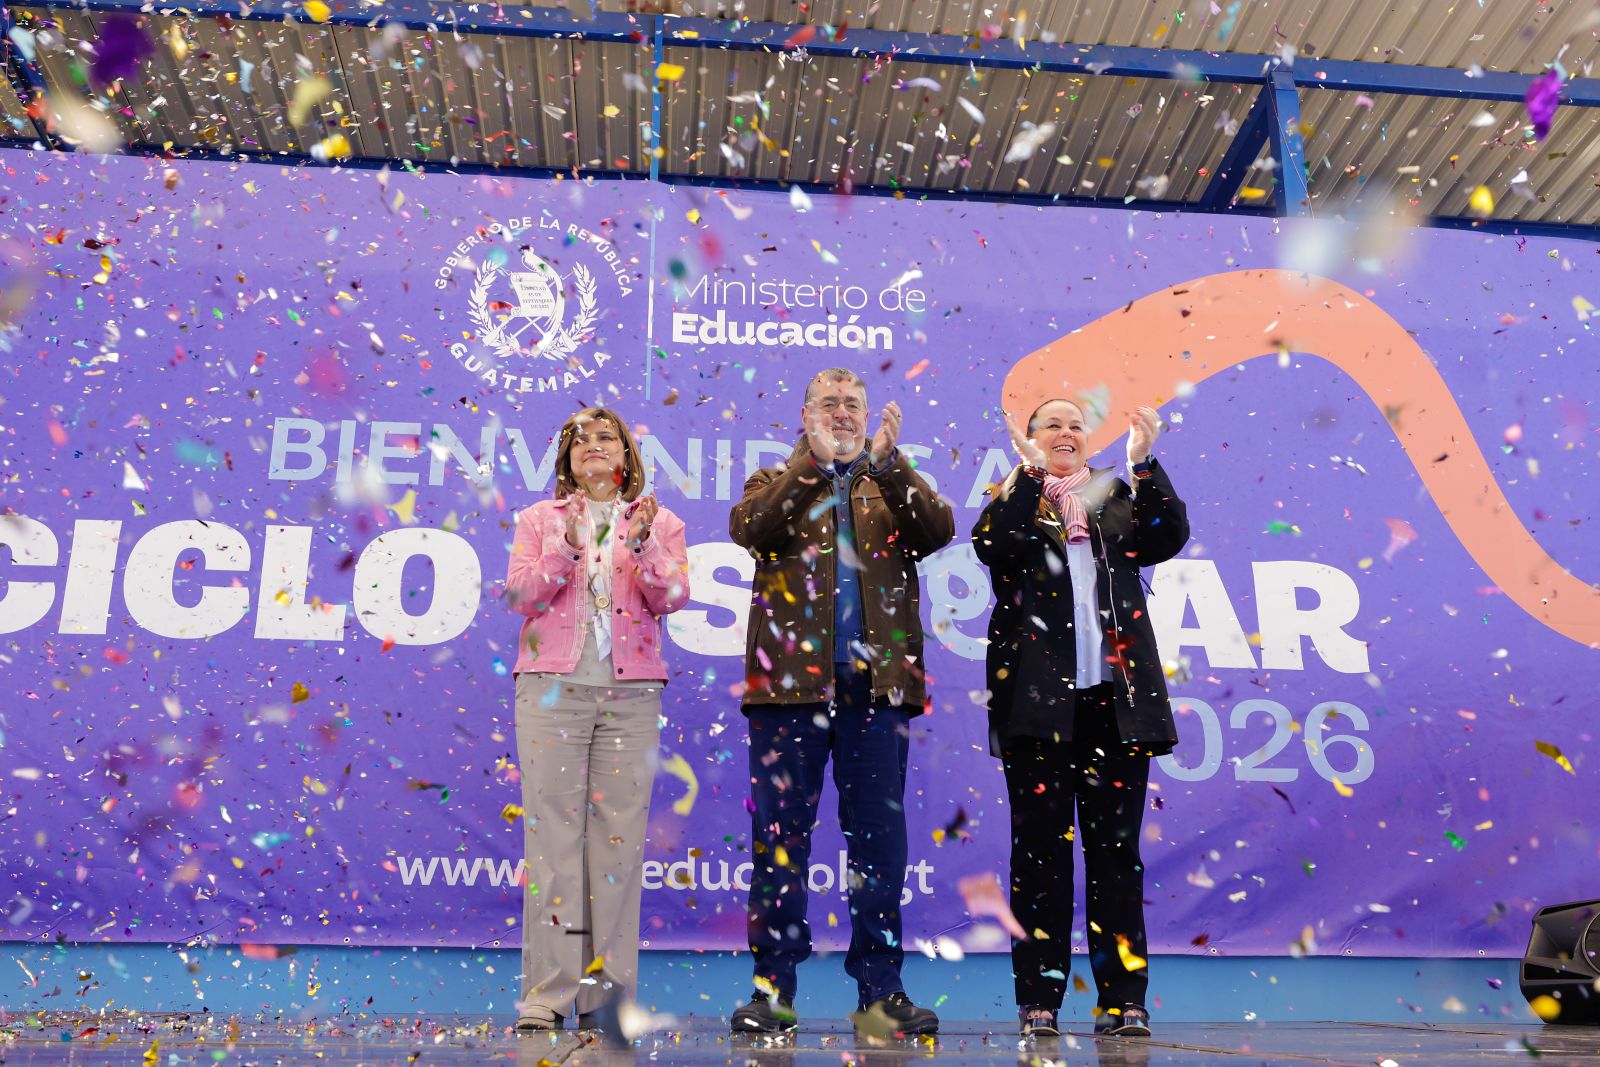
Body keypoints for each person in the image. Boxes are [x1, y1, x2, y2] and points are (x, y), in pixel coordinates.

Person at [727, 368, 955, 1036]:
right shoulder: (772, 481)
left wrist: (890, 465)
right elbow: (751, 529)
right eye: (827, 403)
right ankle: (773, 991)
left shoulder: (887, 486)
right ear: (805, 415)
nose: (842, 413)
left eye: (852, 404)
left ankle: (881, 994)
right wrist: (812, 467)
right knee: (779, 843)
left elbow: (937, 528)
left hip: (877, 693)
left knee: (879, 849)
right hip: (787, 692)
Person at [970, 399, 1188, 1039]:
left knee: (1117, 855)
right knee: (1039, 857)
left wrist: (1144, 463)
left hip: (1115, 707)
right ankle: (1038, 1000)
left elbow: (1166, 537)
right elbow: (995, 547)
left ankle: (1124, 1000)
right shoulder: (1011, 498)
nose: (1064, 433)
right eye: (1050, 426)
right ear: (1029, 440)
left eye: (1074, 424)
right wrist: (1033, 475)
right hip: (1038, 708)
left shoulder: (1116, 495)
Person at [504, 407, 690, 1032]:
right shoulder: (538, 520)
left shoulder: (661, 522)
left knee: (616, 846)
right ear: (566, 459)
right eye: (578, 440)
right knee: (553, 843)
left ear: (627, 454)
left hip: (630, 697)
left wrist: (638, 544)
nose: (592, 446)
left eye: (605, 437)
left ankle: (605, 997)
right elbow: (521, 596)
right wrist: (567, 546)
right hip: (552, 692)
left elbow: (672, 598)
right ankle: (547, 997)